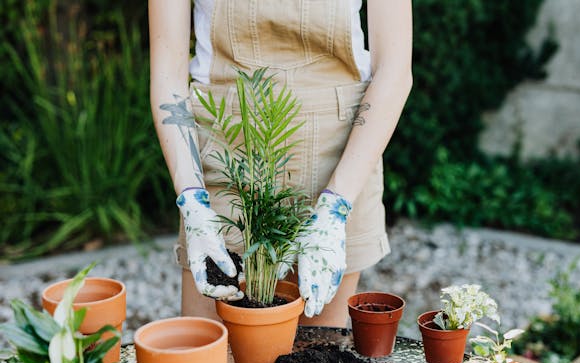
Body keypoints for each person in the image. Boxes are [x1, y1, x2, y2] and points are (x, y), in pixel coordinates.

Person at [149, 0, 412, 327]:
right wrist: (191, 198)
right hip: (225, 155)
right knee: (212, 360)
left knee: (318, 361)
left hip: (339, 159)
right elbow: (168, 78)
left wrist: (335, 205)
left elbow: (395, 69)